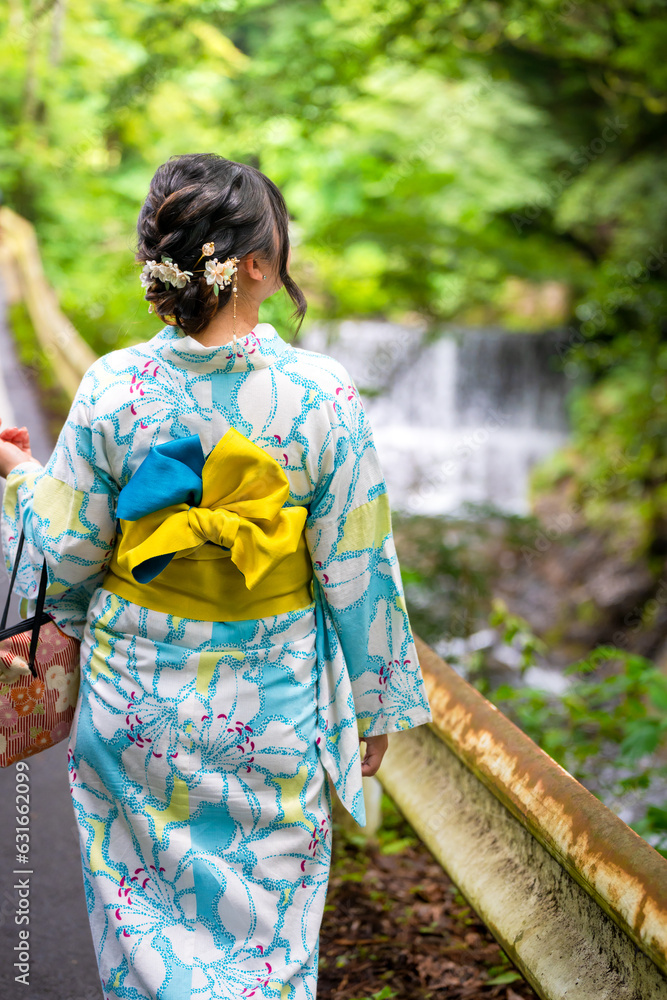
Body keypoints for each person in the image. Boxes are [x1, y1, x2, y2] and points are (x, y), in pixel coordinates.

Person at [0, 152, 433, 1000]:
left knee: (143, 932)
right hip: (268, 711)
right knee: (266, 939)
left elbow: (67, 551)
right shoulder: (321, 395)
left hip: (136, 712)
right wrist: (377, 705)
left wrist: (18, 480)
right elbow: (358, 562)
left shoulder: (114, 386)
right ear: (260, 267)